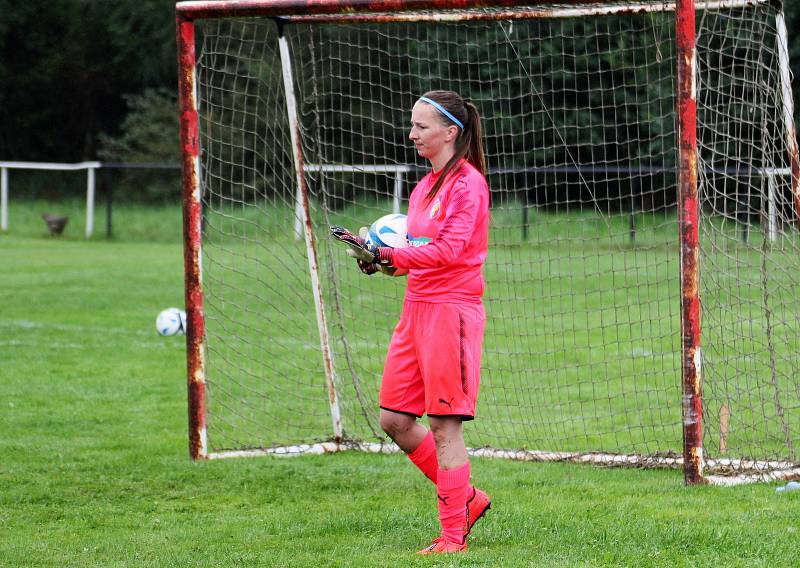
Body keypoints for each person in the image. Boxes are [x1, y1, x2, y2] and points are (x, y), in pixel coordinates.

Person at [331, 90, 491, 555]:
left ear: (450, 132)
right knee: (395, 419)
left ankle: (452, 536)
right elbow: (416, 253)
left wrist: (389, 253)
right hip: (416, 309)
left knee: (445, 426)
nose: (412, 133)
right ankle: (469, 501)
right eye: (413, 125)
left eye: (422, 126)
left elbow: (450, 252)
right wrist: (379, 262)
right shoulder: (425, 186)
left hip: (452, 312)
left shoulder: (467, 185)